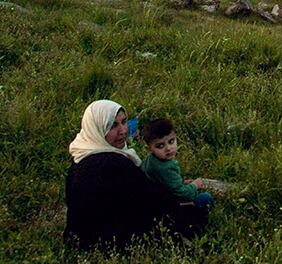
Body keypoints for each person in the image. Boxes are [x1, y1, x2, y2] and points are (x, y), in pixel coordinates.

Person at [64, 99, 207, 251]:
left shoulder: (82, 154)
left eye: (124, 122)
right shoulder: (112, 163)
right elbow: (148, 201)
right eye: (113, 125)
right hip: (104, 240)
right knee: (193, 214)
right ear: (98, 128)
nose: (123, 130)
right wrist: (182, 196)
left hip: (78, 236)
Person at [141, 117, 215, 208]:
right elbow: (182, 194)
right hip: (164, 205)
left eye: (171, 141)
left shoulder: (151, 160)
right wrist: (194, 185)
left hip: (153, 197)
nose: (168, 148)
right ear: (149, 149)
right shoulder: (165, 168)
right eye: (160, 145)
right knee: (206, 198)